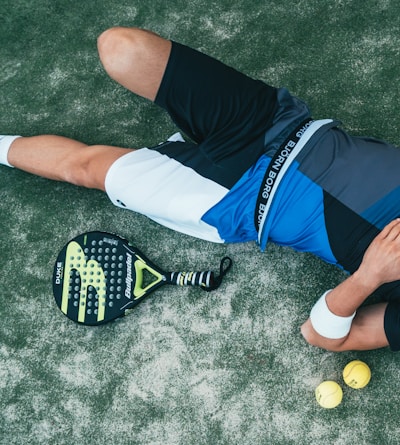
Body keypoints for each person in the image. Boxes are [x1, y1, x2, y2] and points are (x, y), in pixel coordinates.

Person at [1, 27, 400, 352]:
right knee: (120, 47)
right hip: (272, 121)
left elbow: (321, 335)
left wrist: (370, 275)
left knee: (85, 168)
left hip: (234, 200)